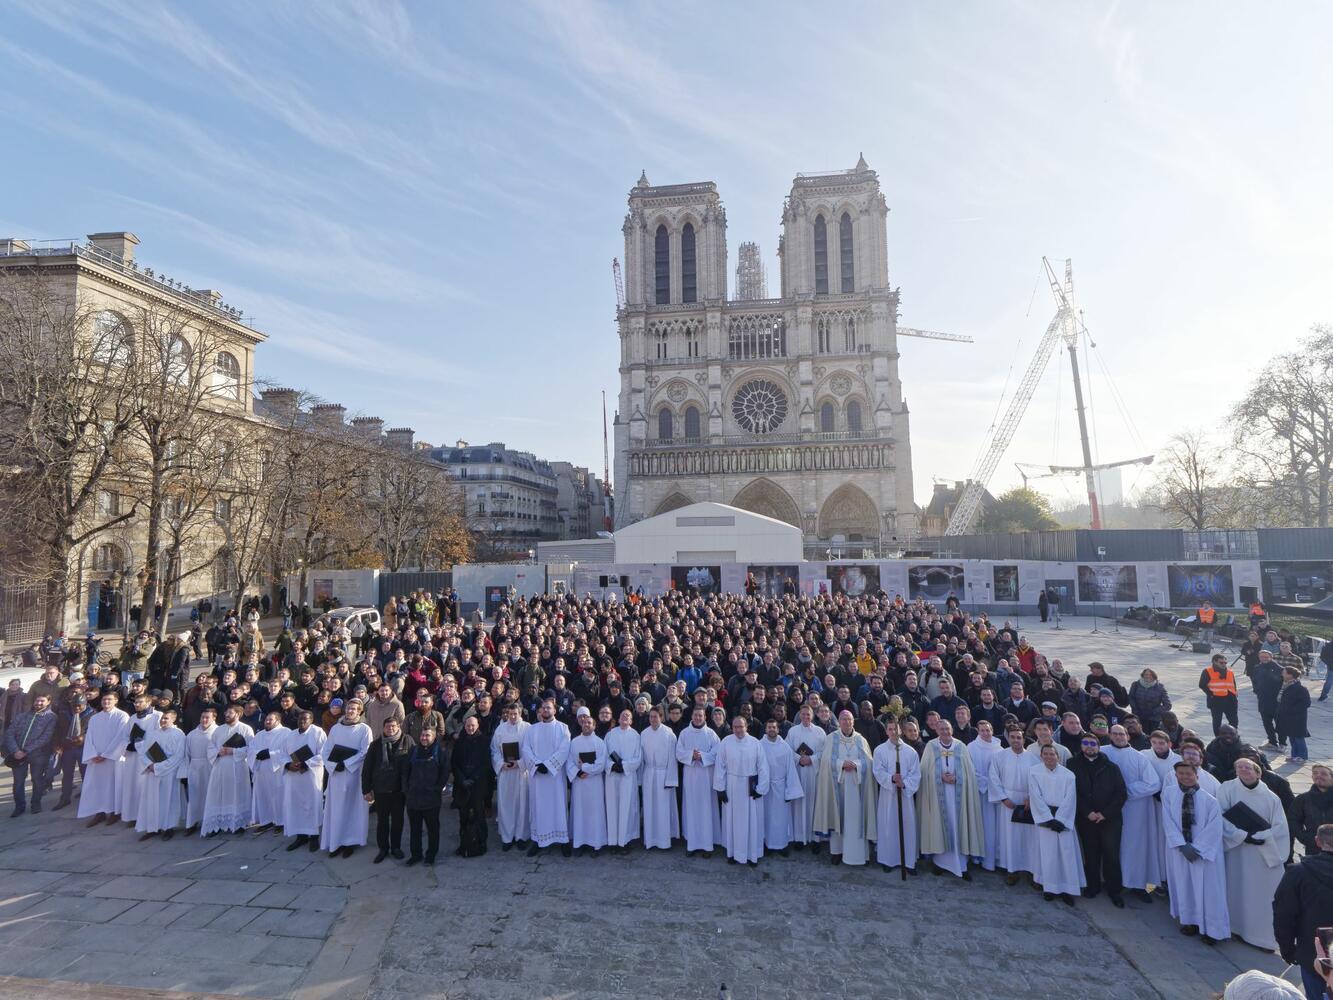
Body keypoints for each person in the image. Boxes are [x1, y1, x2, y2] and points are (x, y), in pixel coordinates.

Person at [1218, 757, 1289, 950]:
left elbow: (1280, 827)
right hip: (1237, 851)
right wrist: (1242, 836)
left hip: (1261, 853)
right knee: (1236, 889)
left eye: (1248, 768)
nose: (1243, 770)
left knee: (1262, 896)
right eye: (1239, 767)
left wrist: (1261, 836)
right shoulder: (1227, 789)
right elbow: (1220, 815)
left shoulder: (1271, 798)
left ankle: (1262, 938)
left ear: (1258, 772)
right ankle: (1234, 927)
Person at [1161, 760, 1230, 945]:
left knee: (1208, 890)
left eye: (1188, 773)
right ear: (1176, 776)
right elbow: (1167, 820)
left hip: (1203, 854)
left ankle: (1212, 930)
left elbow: (1214, 829)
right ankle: (1190, 921)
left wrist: (1197, 848)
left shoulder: (1210, 800)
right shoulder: (1169, 794)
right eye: (1181, 774)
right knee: (1185, 886)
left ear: (1196, 775)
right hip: (1180, 850)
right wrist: (1181, 844)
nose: (1185, 777)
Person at [918, 719, 985, 879]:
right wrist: (939, 777)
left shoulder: (960, 746)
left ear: (952, 730)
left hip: (958, 795)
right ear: (937, 731)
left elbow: (970, 772)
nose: (945, 732)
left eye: (947, 729)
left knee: (958, 825)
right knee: (939, 825)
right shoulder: (931, 746)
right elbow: (924, 771)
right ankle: (940, 862)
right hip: (937, 796)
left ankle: (961, 863)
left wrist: (957, 778)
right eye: (941, 729)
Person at [1273, 823, 1333, 1000]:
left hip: (1312, 956)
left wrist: (1288, 950)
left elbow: (1283, 915)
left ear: (1317, 842)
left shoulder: (1297, 873)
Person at [1103, 724, 1162, 901]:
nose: (1119, 737)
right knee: (1113, 848)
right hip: (1108, 809)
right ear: (1110, 735)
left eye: (1122, 734)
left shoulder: (1139, 757)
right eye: (1115, 734)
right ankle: (1114, 883)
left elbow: (1153, 783)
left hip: (1135, 811)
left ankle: (1137, 884)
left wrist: (1124, 792)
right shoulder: (1103, 752)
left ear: (1128, 736)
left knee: (1134, 848)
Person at [1069, 733, 1128, 907]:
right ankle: (1092, 886)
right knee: (1091, 855)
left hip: (1110, 820)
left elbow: (1121, 794)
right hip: (1086, 818)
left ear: (1098, 746)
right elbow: (1072, 791)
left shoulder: (1111, 767)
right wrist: (1087, 812)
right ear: (1081, 746)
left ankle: (1114, 891)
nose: (1089, 746)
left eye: (1093, 743)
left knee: (1112, 856)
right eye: (1086, 743)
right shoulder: (1073, 765)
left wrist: (1105, 814)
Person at [813, 709, 877, 867]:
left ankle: (859, 855)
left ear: (853, 722)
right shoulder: (831, 738)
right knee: (837, 817)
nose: (846, 722)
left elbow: (869, 762)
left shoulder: (861, 740)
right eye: (843, 720)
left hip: (857, 789)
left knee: (855, 821)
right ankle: (837, 852)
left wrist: (856, 764)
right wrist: (841, 764)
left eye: (849, 720)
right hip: (838, 787)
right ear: (839, 722)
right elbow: (826, 761)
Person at [1028, 743, 1082, 904]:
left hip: (1063, 820)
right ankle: (1049, 887)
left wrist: (1060, 819)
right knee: (1048, 855)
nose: (1049, 757)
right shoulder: (1034, 772)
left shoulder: (1069, 775)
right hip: (1046, 820)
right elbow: (1035, 795)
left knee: (1066, 855)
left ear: (1058, 757)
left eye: (1052, 754)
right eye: (1045, 754)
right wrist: (1047, 818)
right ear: (1041, 756)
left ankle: (1067, 889)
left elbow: (1070, 799)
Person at [714, 715, 770, 866]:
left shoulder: (755, 743)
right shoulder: (726, 742)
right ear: (732, 727)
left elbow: (763, 767)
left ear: (746, 727)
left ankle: (752, 855)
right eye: (735, 727)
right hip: (731, 787)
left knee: (751, 821)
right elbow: (720, 766)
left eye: (741, 726)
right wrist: (720, 788)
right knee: (733, 821)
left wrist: (760, 789)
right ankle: (733, 853)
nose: (738, 730)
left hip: (749, 788)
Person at [320, 698, 372, 858]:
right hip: (336, 775)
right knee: (336, 809)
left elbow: (365, 751)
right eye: (349, 708)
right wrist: (334, 765)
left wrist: (347, 763)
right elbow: (326, 750)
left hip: (354, 775)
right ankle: (335, 841)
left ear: (360, 712)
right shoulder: (336, 728)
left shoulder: (364, 729)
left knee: (352, 808)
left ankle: (350, 842)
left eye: (354, 709)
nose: (350, 711)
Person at [521, 697, 571, 857]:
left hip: (555, 777)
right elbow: (526, 749)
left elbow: (564, 750)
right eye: (543, 708)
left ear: (555, 710)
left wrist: (548, 765)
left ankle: (563, 841)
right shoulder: (532, 729)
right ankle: (539, 840)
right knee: (539, 807)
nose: (546, 710)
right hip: (538, 777)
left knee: (558, 806)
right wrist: (537, 764)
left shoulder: (563, 728)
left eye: (549, 708)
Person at [989, 725, 1038, 886]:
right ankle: (1012, 870)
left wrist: (1031, 798)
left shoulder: (1032, 758)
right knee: (1010, 838)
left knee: (1029, 838)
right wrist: (1003, 798)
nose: (1016, 740)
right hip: (1008, 802)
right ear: (1008, 738)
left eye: (1019, 737)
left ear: (1023, 739)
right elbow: (994, 778)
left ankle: (1032, 871)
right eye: (1013, 737)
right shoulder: (999, 757)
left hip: (1027, 804)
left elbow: (1038, 781)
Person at [872, 716, 920, 874]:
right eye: (890, 729)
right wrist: (891, 778)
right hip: (888, 795)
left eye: (896, 729)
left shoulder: (910, 751)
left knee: (907, 826)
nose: (893, 732)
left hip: (905, 797)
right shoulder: (879, 750)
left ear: (901, 730)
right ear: (886, 731)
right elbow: (877, 771)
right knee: (888, 826)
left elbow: (916, 774)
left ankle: (908, 861)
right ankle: (888, 860)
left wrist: (904, 783)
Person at [363, 715, 413, 863]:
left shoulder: (407, 740)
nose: (390, 729)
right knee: (382, 821)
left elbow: (413, 763)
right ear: (383, 728)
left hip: (399, 789)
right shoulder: (376, 744)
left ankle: (396, 847)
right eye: (387, 726)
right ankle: (383, 848)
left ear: (398, 727)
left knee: (398, 820)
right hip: (381, 788)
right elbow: (367, 768)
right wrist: (366, 789)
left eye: (393, 726)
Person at [201, 704, 253, 836]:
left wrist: (233, 751)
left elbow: (251, 748)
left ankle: (239, 823)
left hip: (238, 767)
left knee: (237, 793)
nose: (227, 715)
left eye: (230, 713)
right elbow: (210, 747)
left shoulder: (246, 729)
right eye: (226, 713)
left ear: (238, 714)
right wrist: (218, 752)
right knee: (219, 794)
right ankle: (217, 824)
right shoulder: (218, 730)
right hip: (220, 766)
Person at [676, 706, 720, 857]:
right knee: (691, 808)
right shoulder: (684, 733)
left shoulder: (711, 734)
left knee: (706, 809)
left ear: (705, 717)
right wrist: (690, 755)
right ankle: (692, 844)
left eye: (700, 716)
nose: (698, 718)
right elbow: (678, 752)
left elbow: (718, 753)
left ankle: (707, 845)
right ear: (692, 716)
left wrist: (702, 756)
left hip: (706, 776)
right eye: (695, 715)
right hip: (690, 776)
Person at [135, 708, 185, 839]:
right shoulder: (153, 733)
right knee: (151, 800)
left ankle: (169, 827)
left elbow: (179, 756)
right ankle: (152, 827)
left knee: (169, 799)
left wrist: (159, 767)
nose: (163, 720)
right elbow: (143, 751)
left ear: (173, 719)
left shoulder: (179, 734)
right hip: (152, 771)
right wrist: (149, 765)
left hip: (169, 772)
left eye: (166, 718)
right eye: (162, 718)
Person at [3, 693, 56, 816]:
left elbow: (45, 737)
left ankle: (35, 803)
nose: (38, 703)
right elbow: (9, 733)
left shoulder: (51, 717)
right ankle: (19, 806)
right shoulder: (22, 716)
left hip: (38, 755)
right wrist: (16, 750)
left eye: (42, 701)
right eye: (37, 701)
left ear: (48, 702)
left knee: (37, 780)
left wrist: (26, 751)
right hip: (17, 755)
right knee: (18, 782)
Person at [281, 710, 326, 852]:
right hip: (294, 776)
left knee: (311, 804)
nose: (302, 721)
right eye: (300, 719)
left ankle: (313, 837)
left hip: (311, 776)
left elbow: (324, 753)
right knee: (296, 805)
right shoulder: (290, 735)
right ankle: (300, 836)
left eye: (305, 719)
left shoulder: (318, 733)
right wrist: (288, 765)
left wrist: (306, 763)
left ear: (311, 720)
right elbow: (282, 754)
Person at [403, 726, 448, 866]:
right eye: (422, 735)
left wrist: (437, 789)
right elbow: (405, 772)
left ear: (434, 737)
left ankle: (431, 855)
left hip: (431, 799)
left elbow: (445, 773)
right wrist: (407, 790)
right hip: (413, 798)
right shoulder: (413, 751)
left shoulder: (440, 752)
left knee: (432, 829)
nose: (424, 738)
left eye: (427, 735)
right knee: (415, 829)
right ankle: (416, 855)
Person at [566, 708, 608, 856]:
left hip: (594, 783)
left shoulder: (600, 743)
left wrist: (584, 767)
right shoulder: (574, 742)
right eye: (584, 722)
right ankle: (579, 843)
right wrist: (577, 773)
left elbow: (601, 765)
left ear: (594, 725)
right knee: (580, 813)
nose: (586, 724)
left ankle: (595, 845)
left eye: (589, 723)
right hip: (579, 783)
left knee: (594, 813)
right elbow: (569, 762)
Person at [785, 704, 827, 852]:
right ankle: (799, 838)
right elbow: (787, 749)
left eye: (808, 714)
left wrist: (812, 759)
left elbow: (824, 751)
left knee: (814, 804)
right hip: (798, 772)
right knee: (798, 804)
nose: (805, 717)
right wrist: (798, 758)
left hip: (813, 773)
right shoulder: (793, 731)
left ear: (813, 715)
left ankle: (815, 839)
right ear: (799, 715)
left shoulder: (820, 732)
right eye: (803, 714)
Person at [758, 717, 803, 855]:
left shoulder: (785, 747)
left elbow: (790, 769)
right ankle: (766, 845)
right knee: (766, 817)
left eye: (774, 727)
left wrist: (790, 791)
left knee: (782, 819)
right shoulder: (759, 745)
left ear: (778, 729)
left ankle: (782, 845)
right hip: (766, 788)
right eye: (769, 727)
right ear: (766, 729)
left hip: (781, 787)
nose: (771, 729)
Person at [490, 702, 530, 851]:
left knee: (522, 804)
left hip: (521, 772)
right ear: (507, 714)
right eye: (510, 714)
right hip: (506, 773)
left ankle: (521, 836)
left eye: (516, 714)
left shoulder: (528, 728)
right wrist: (501, 763)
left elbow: (531, 749)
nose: (513, 717)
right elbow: (494, 750)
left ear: (520, 713)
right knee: (506, 805)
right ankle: (507, 837)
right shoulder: (500, 729)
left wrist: (520, 763)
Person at [117, 692, 161, 827]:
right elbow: (125, 735)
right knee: (132, 786)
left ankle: (147, 816)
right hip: (133, 757)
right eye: (135, 702)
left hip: (149, 756)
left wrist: (143, 745)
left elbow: (160, 735)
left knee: (145, 786)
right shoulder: (133, 718)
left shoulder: (157, 716)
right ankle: (133, 815)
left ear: (148, 703)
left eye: (140, 702)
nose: (136, 704)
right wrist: (129, 744)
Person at [639, 706, 679, 851]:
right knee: (650, 807)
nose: (653, 719)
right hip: (649, 773)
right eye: (650, 717)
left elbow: (672, 760)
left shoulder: (669, 734)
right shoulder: (644, 733)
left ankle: (664, 840)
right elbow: (641, 758)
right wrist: (640, 778)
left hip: (663, 774)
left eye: (656, 716)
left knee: (663, 808)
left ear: (661, 717)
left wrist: (670, 780)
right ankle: (650, 839)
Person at [452, 714, 492, 857]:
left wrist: (473, 778)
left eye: (473, 725)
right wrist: (462, 779)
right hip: (462, 784)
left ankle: (481, 843)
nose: (470, 728)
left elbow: (486, 763)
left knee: (479, 815)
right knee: (463, 816)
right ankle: (464, 844)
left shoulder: (484, 741)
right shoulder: (459, 741)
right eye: (468, 725)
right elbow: (454, 763)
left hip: (477, 784)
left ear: (478, 726)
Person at [603, 709, 642, 853]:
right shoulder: (610, 734)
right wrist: (612, 766)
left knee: (627, 808)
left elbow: (638, 758)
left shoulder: (636, 736)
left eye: (628, 716)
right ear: (618, 719)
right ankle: (612, 842)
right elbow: (604, 754)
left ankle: (625, 841)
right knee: (613, 808)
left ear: (631, 720)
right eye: (622, 715)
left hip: (627, 777)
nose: (625, 717)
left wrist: (624, 766)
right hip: (612, 776)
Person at [248, 711, 289, 832]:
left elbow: (287, 751)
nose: (267, 721)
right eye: (266, 719)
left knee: (278, 796)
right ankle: (266, 820)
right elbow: (251, 749)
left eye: (271, 719)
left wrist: (270, 754)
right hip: (261, 770)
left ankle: (280, 822)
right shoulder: (260, 734)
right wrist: (256, 754)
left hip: (276, 770)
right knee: (263, 796)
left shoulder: (286, 733)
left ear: (278, 721)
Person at [183, 706, 218, 833]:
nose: (204, 720)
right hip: (195, 768)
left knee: (210, 796)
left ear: (214, 718)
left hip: (210, 767)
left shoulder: (217, 732)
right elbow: (186, 754)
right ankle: (192, 822)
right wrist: (185, 772)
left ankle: (211, 823)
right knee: (194, 796)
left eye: (207, 717)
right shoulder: (192, 734)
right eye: (202, 717)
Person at [1293, 765, 1333, 856]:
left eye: (1323, 774)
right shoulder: (1303, 799)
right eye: (1315, 773)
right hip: (1314, 848)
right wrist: (1305, 838)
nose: (1318, 775)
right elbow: (1293, 820)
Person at [1197, 653, 1240, 736]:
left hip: (1230, 699)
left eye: (1225, 663)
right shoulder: (1207, 671)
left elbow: (1233, 684)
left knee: (1234, 721)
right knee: (1217, 721)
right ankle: (1218, 739)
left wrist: (1235, 693)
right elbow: (1202, 684)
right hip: (1216, 699)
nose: (1224, 664)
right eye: (1221, 662)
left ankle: (1233, 737)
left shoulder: (1230, 672)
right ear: (1214, 662)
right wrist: (1211, 694)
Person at [1275, 666, 1311, 763]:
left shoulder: (1300, 688)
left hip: (1297, 717)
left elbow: (1306, 703)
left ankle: (1302, 757)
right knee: (1292, 737)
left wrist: (1291, 710)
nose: (1282, 674)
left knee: (1298, 737)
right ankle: (1294, 755)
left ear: (1290, 675)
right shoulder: (1286, 685)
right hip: (1287, 716)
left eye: (1284, 673)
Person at [1128, 669, 1172, 733]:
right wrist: (1136, 709)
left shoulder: (1160, 687)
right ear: (1142, 675)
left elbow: (1168, 705)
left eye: (1150, 674)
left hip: (1154, 720)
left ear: (1154, 676)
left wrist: (1152, 712)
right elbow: (1131, 698)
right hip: (1138, 717)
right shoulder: (1135, 685)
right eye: (1146, 674)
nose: (1148, 676)